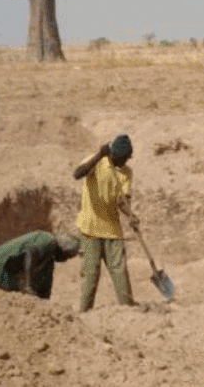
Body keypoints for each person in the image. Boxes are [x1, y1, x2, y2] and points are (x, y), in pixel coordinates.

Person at [73, 133, 139, 311]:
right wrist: (98, 156)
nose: (126, 161)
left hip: (112, 231)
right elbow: (77, 174)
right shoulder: (96, 162)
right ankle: (84, 314)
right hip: (90, 229)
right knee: (91, 275)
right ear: (114, 155)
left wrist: (130, 215)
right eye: (123, 158)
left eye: (127, 158)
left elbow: (122, 201)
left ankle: (129, 311)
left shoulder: (126, 172)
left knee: (121, 274)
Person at [0, 231, 80, 299]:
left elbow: (44, 292)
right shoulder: (48, 239)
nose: (66, 260)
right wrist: (28, 286)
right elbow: (31, 253)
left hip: (2, 275)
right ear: (64, 247)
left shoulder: (48, 261)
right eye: (68, 255)